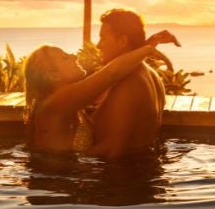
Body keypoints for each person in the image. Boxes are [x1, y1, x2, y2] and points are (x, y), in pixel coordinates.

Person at [23, 29, 179, 153]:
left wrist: (145, 45)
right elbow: (111, 74)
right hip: (53, 187)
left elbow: (111, 77)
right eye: (64, 57)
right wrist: (147, 50)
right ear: (53, 75)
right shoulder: (54, 104)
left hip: (67, 182)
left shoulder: (72, 102)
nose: (73, 55)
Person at [88, 9, 177, 158]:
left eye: (103, 38)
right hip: (142, 167)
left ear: (122, 41)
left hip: (122, 177)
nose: (98, 45)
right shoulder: (151, 75)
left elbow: (113, 150)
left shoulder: (127, 84)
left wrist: (72, 160)